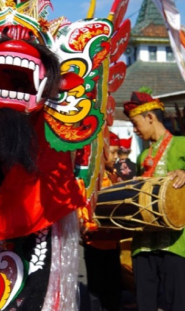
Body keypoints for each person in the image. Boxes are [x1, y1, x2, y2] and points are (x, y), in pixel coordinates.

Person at [123, 92, 185, 311]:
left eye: (135, 123)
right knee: (146, 303)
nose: (135, 130)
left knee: (177, 303)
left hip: (176, 242)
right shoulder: (143, 157)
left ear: (150, 117)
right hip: (145, 241)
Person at [83, 132, 123, 311]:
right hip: (95, 243)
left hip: (113, 242)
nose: (116, 157)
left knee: (114, 290)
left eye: (117, 152)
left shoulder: (114, 175)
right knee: (96, 292)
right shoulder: (92, 178)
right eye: (113, 153)